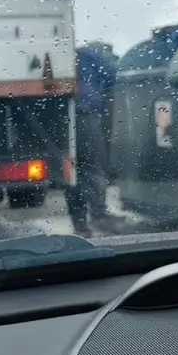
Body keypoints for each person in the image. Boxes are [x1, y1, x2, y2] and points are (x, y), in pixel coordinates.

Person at [67, 44, 118, 235]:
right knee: (92, 167)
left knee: (71, 171)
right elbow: (112, 85)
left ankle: (79, 223)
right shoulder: (93, 57)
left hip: (64, 117)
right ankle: (99, 214)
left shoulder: (79, 56)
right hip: (86, 116)